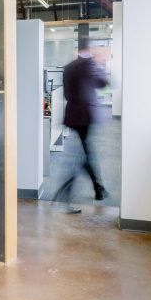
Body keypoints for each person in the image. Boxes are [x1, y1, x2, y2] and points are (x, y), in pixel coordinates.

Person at [53, 37, 110, 213]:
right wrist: (100, 63)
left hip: (73, 115)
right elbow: (104, 83)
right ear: (89, 48)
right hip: (86, 115)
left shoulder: (69, 67)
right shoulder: (91, 64)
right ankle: (63, 197)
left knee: (86, 152)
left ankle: (99, 188)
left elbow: (67, 95)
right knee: (82, 157)